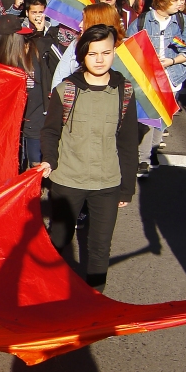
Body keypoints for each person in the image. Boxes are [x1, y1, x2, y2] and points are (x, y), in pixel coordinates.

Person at [37, 24, 138, 292]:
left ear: (114, 53)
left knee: (99, 247)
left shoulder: (124, 92)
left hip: (107, 183)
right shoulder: (66, 90)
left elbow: (128, 144)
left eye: (106, 52)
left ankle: (94, 301)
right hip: (68, 180)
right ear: (82, 55)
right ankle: (50, 293)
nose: (100, 59)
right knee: (58, 241)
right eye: (93, 54)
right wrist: (50, 159)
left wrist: (127, 188)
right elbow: (50, 131)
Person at [127, 0, 186, 175]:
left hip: (172, 76)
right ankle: (143, 158)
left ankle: (153, 149)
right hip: (148, 77)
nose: (180, 4)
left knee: (162, 117)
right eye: (175, 0)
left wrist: (174, 60)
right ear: (162, 1)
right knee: (149, 116)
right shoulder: (142, 21)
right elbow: (129, 46)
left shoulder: (182, 21)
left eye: (181, 0)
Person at [0, 15, 44, 167]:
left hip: (35, 119)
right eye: (22, 37)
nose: (25, 40)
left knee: (36, 163)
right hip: (12, 124)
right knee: (14, 164)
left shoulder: (35, 51)